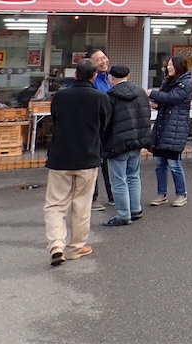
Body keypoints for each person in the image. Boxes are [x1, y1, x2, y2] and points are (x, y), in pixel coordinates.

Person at [43, 58, 111, 266]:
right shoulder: (100, 98)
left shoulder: (61, 96)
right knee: (81, 204)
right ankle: (75, 247)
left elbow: (54, 119)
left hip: (60, 156)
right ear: (93, 76)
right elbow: (105, 125)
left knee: (55, 203)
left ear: (75, 75)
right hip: (87, 156)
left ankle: (56, 244)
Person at [102, 65, 152, 227]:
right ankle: (135, 209)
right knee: (133, 176)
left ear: (111, 77)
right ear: (128, 75)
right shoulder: (140, 93)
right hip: (136, 141)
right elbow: (146, 116)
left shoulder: (110, 96)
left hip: (117, 143)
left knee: (118, 180)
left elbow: (106, 123)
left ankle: (123, 215)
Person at [146, 54, 192, 207]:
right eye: (168, 65)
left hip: (176, 129)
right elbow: (164, 100)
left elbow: (172, 98)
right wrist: (156, 104)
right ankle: (161, 194)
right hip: (163, 127)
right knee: (160, 164)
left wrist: (151, 93)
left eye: (171, 65)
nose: (168, 67)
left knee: (174, 164)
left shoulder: (186, 83)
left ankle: (181, 194)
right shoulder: (167, 81)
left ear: (179, 66)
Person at [86, 48, 114, 210]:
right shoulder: (92, 82)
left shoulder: (109, 78)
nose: (103, 61)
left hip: (109, 128)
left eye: (104, 57)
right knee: (94, 163)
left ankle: (112, 195)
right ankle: (93, 198)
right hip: (96, 128)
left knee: (108, 163)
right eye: (99, 60)